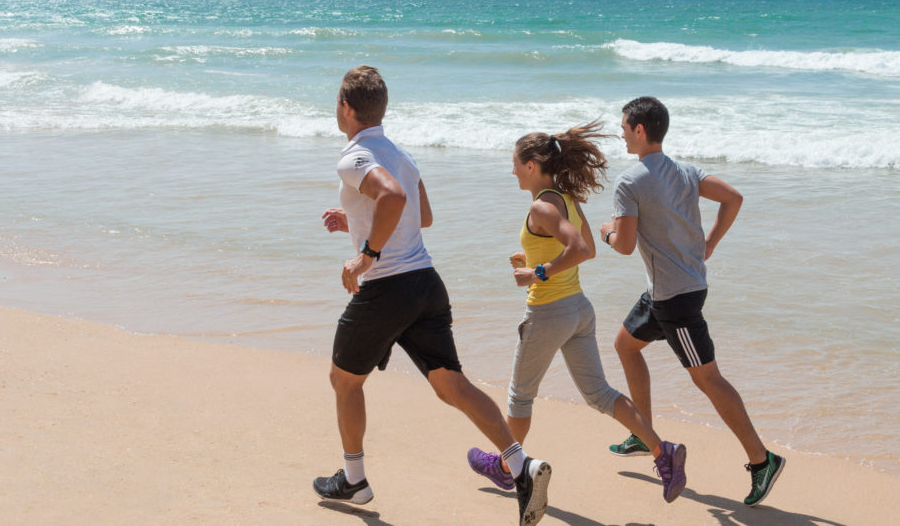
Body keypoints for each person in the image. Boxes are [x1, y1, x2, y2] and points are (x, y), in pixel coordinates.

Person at [314, 65, 553, 526]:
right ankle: (522, 465)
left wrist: (365, 255)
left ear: (345, 108)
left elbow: (394, 198)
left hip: (388, 289)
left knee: (344, 381)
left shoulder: (354, 156)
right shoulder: (401, 154)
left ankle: (354, 479)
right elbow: (421, 215)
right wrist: (356, 222)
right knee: (452, 385)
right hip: (426, 284)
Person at [465, 122, 688, 504]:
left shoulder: (541, 205)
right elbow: (587, 249)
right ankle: (661, 451)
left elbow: (581, 249)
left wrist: (536, 273)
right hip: (579, 311)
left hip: (548, 313)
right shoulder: (566, 198)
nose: (513, 170)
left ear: (532, 165)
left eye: (515, 163)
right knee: (600, 394)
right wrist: (535, 260)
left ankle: (505, 467)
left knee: (519, 398)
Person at [597, 96, 785, 507]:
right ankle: (643, 435)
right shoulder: (686, 171)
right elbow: (733, 197)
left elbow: (624, 246)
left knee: (708, 379)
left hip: (675, 300)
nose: (622, 134)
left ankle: (762, 460)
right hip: (672, 288)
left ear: (640, 130)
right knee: (625, 345)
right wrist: (710, 243)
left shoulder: (629, 182)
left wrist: (606, 231)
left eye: (624, 127)